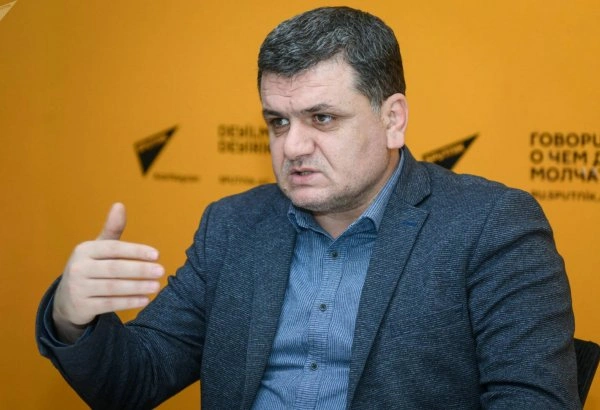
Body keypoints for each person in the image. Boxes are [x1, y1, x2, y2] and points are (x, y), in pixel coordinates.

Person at [36, 6, 580, 409]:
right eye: (278, 121)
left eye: (322, 118)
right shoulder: (232, 225)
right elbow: (133, 381)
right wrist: (72, 316)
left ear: (392, 119)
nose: (292, 146)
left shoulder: (490, 226)